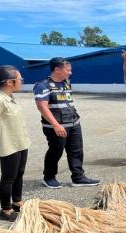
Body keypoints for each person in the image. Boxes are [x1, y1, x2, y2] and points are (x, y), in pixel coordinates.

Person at [33, 57, 99, 188]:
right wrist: (56, 125)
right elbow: (42, 107)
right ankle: (49, 177)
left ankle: (78, 177)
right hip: (56, 127)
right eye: (68, 70)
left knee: (76, 151)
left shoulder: (66, 83)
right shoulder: (42, 85)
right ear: (57, 69)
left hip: (73, 123)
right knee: (55, 151)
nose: (70, 73)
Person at [0, 65, 30, 222]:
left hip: (19, 142)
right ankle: (6, 210)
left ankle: (17, 202)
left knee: (19, 174)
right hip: (8, 144)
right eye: (20, 79)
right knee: (8, 178)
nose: (22, 81)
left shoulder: (8, 96)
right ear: (10, 82)